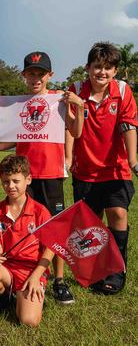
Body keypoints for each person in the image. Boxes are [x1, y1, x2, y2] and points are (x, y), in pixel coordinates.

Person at [0, 51, 84, 304]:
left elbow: (76, 130)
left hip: (51, 174)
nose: (35, 78)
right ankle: (18, 272)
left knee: (55, 228)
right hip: (23, 177)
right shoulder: (19, 104)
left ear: (50, 75)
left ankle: (59, 281)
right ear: (24, 75)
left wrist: (79, 106)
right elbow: (16, 137)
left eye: (40, 74)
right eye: (31, 73)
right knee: (22, 224)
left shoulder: (59, 100)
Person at [65, 42, 138, 295]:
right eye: (97, 67)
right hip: (84, 169)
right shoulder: (75, 90)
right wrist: (67, 158)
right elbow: (74, 130)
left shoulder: (123, 90)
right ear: (87, 68)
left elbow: (128, 125)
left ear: (115, 70)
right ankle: (95, 270)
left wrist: (132, 160)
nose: (102, 73)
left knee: (118, 213)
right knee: (90, 224)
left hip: (115, 169)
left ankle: (117, 270)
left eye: (108, 68)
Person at [0, 155, 54, 327]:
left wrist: (36, 277)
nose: (10, 186)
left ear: (28, 179)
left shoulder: (40, 212)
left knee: (28, 321)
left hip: (31, 270)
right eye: (5, 182)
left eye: (15, 181)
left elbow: (50, 249)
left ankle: (22, 295)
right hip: (8, 268)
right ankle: (4, 295)